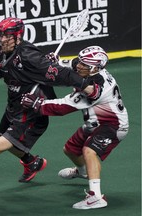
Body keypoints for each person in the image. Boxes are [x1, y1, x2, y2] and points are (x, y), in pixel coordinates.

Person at [0, 17, 98, 198]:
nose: (2, 40)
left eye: (8, 36)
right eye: (1, 35)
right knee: (4, 137)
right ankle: (32, 162)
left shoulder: (29, 56)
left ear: (18, 36)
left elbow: (62, 74)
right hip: (14, 106)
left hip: (32, 111)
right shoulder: (0, 54)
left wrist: (87, 87)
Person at [21, 46, 129, 209]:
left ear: (94, 68)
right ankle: (84, 172)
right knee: (70, 149)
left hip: (113, 125)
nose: (79, 65)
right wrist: (54, 63)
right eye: (80, 61)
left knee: (89, 151)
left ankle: (96, 197)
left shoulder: (97, 90)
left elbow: (63, 106)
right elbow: (70, 66)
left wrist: (37, 104)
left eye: (84, 64)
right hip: (94, 123)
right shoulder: (89, 69)